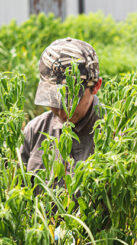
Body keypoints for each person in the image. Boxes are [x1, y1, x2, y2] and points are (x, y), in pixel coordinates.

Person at [20, 37, 102, 174]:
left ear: (95, 87)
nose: (62, 113)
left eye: (71, 101)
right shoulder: (35, 131)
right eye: (53, 100)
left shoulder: (118, 133)